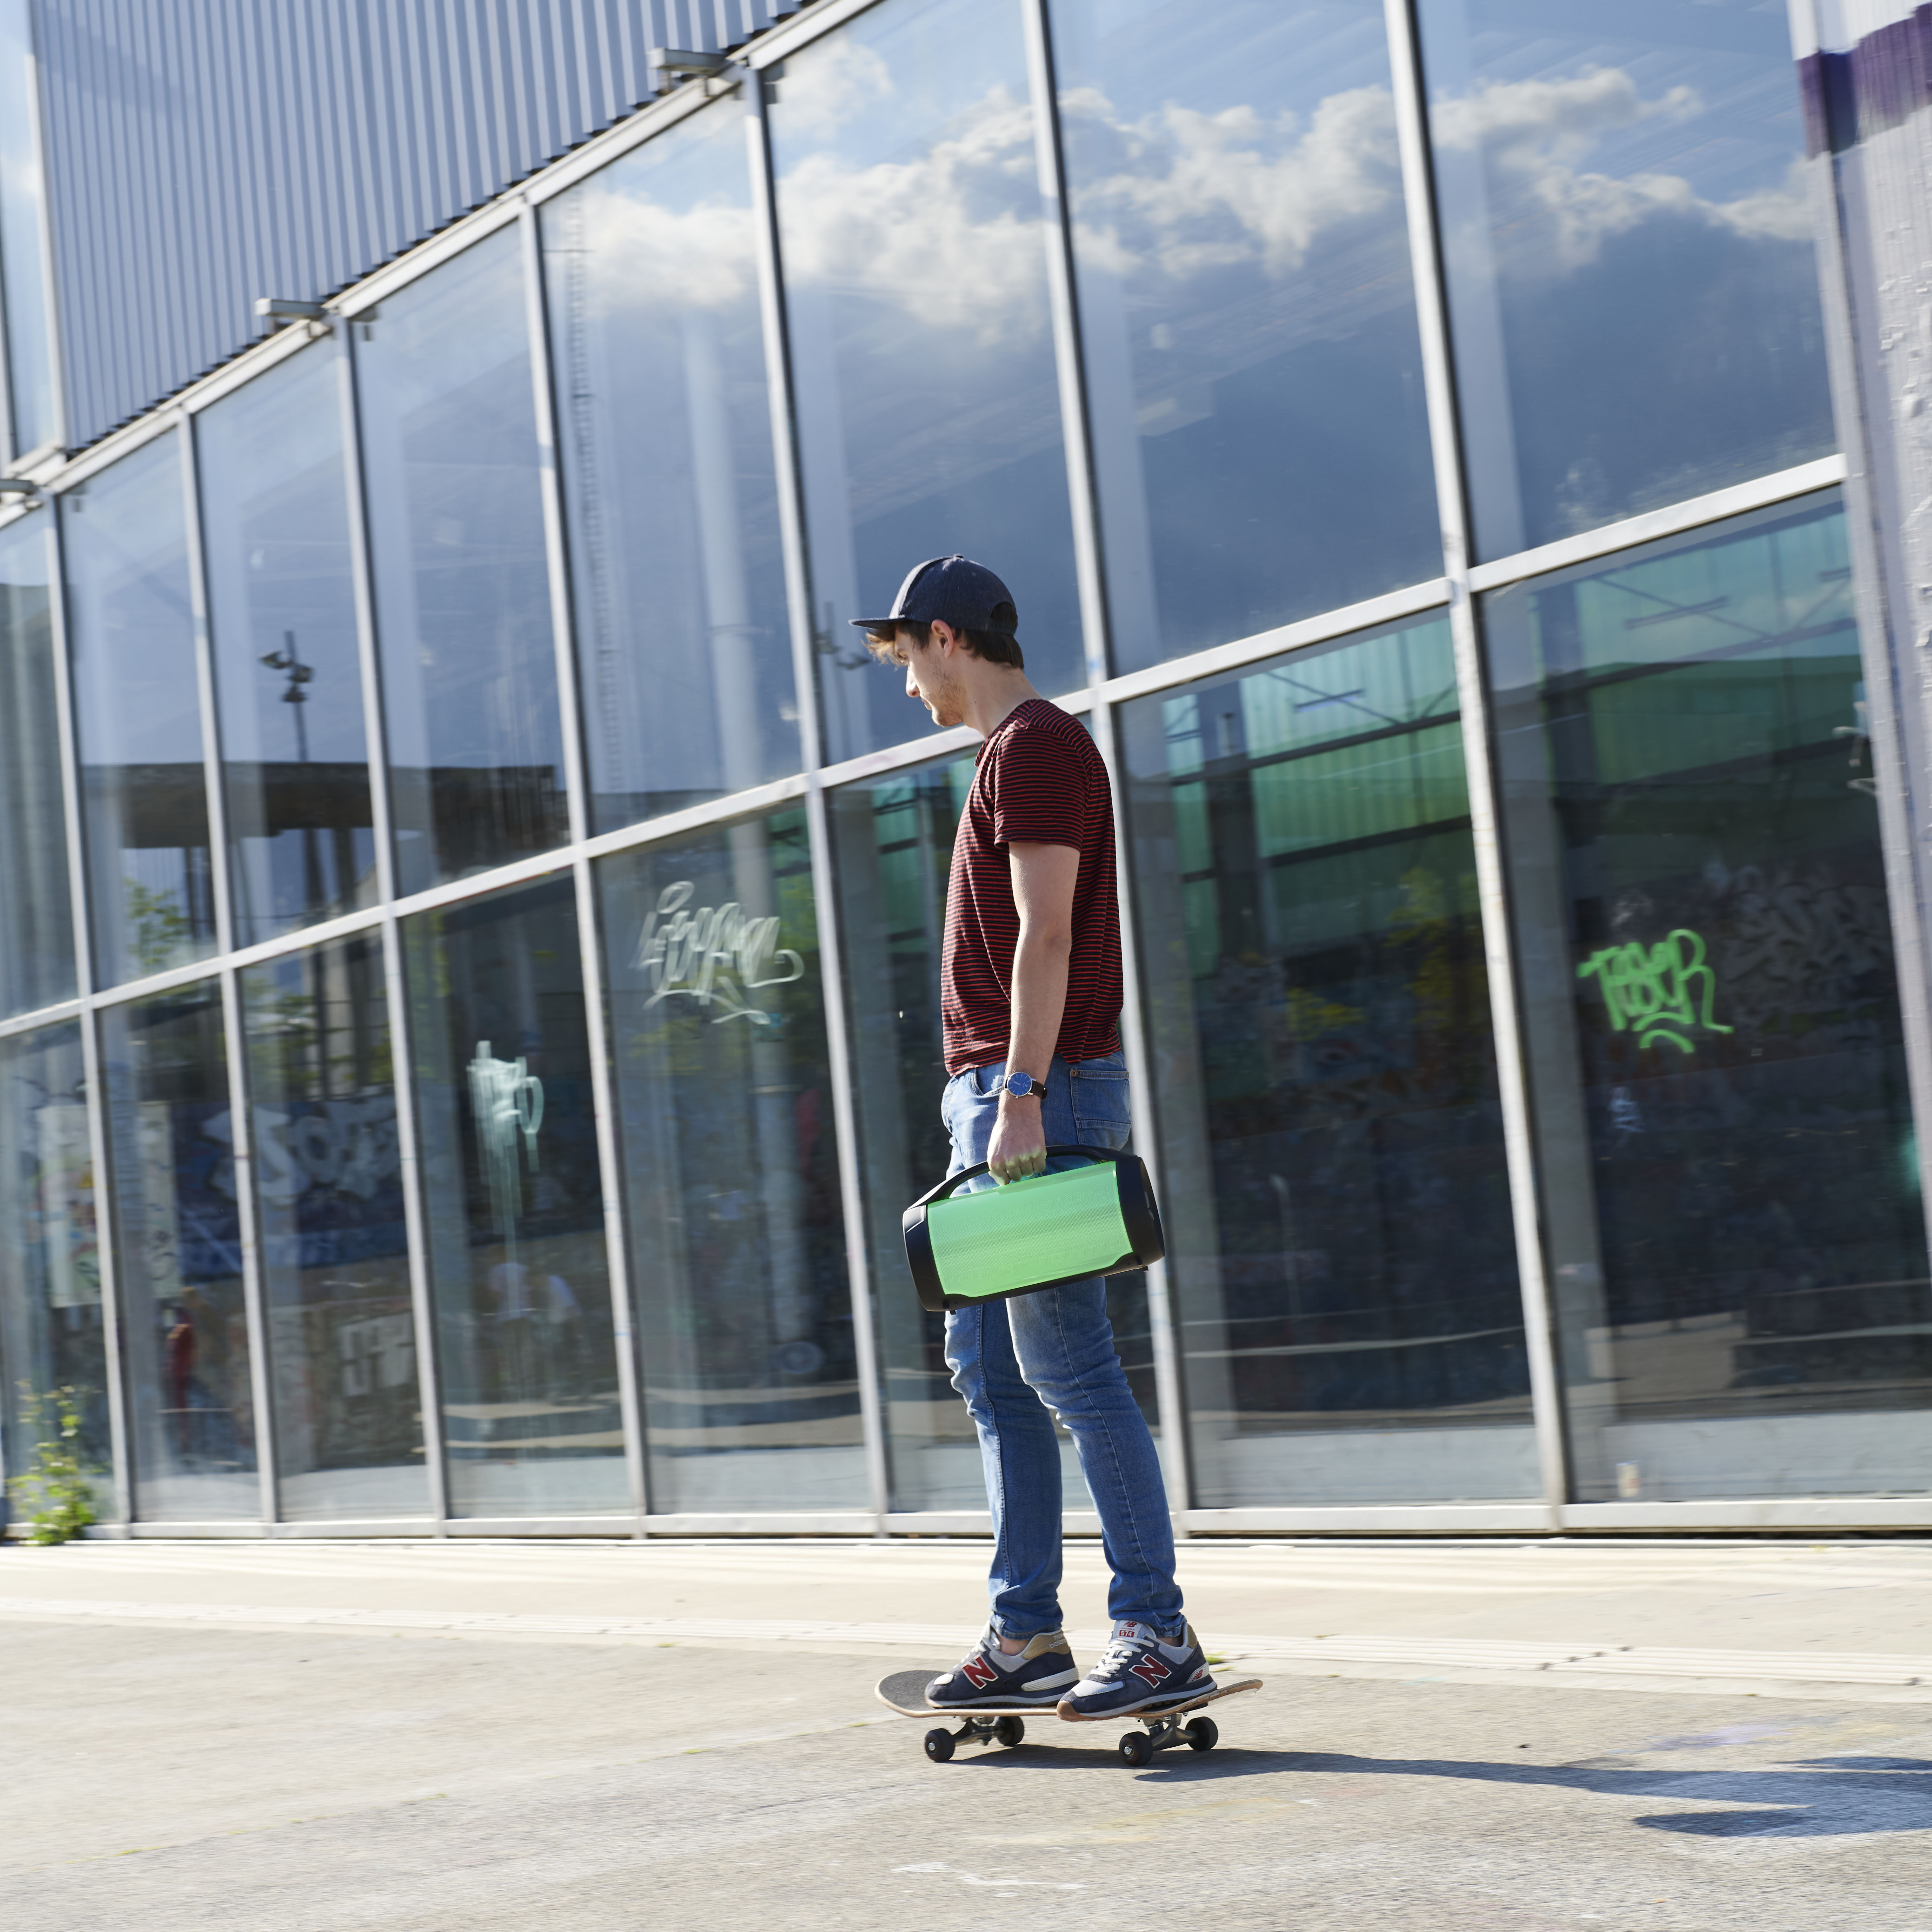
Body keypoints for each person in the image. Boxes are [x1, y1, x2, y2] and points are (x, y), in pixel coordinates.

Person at [857, 555, 1215, 1719]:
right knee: (991, 1365)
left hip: (1038, 1094)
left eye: (908, 659)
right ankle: (1026, 1632)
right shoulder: (1007, 757)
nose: (908, 685)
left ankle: (1155, 1633)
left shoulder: (1039, 749)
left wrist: (1018, 1090)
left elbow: (1049, 936)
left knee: (1067, 1365)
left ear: (947, 639)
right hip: (999, 1094)